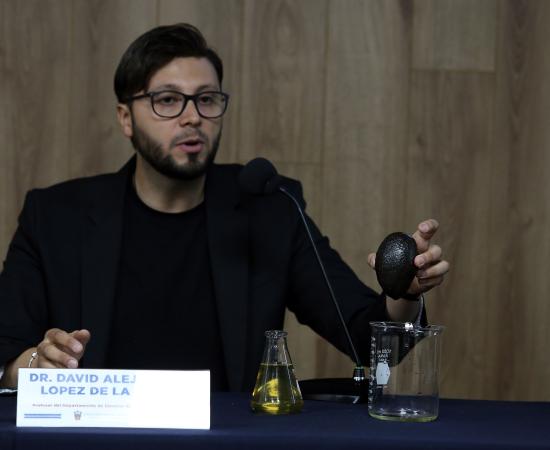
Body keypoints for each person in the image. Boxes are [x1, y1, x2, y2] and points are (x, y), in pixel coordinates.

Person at [0, 23, 449, 391]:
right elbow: (7, 355)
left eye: (207, 99)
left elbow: (370, 342)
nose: (192, 116)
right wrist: (33, 364)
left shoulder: (269, 210)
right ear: (125, 118)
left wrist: (403, 294)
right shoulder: (54, 217)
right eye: (168, 100)